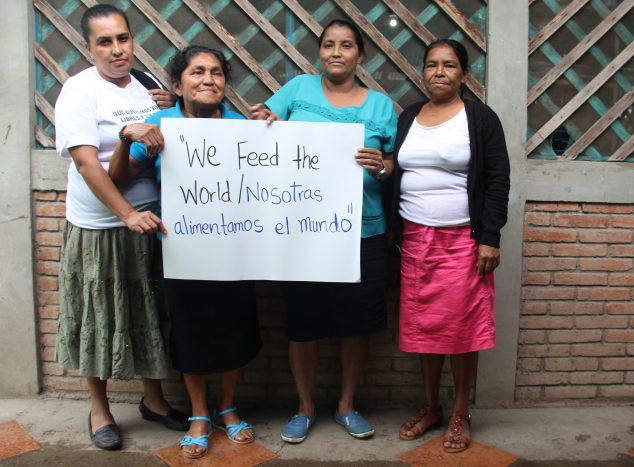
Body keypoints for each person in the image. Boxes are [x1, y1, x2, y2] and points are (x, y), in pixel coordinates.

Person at [109, 45, 261, 460]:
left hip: (236, 246)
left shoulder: (240, 127)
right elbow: (119, 178)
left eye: (216, 72)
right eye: (197, 73)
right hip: (181, 248)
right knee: (191, 329)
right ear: (178, 85)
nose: (208, 79)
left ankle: (228, 408)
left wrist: (274, 135)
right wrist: (128, 137)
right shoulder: (162, 124)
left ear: (226, 83)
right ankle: (198, 415)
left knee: (236, 326)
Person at [250, 19, 397, 443]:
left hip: (362, 230)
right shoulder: (297, 89)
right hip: (303, 230)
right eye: (329, 44)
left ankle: (347, 405)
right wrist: (261, 121)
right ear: (319, 52)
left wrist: (382, 167)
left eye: (346, 45)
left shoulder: (381, 106)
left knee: (356, 324)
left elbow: (391, 166)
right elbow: (260, 133)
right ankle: (305, 407)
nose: (336, 51)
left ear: (360, 55)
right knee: (304, 323)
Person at [54, 4, 187, 452]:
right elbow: (88, 165)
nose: (117, 49)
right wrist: (125, 214)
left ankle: (154, 400)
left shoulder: (146, 85)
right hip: (101, 229)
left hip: (149, 226)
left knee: (147, 315)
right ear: (88, 47)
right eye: (105, 42)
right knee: (99, 315)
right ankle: (100, 409)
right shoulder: (78, 92)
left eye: (123, 39)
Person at [389, 39, 510, 453]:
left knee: (461, 329)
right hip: (415, 239)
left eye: (449, 65)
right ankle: (430, 406)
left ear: (464, 74)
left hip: (463, 240)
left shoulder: (480, 118)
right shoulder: (409, 117)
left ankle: (460, 411)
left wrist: (489, 238)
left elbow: (497, 179)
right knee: (425, 327)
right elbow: (398, 167)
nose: (439, 72)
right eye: (431, 65)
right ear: (422, 72)